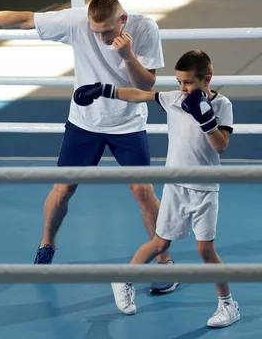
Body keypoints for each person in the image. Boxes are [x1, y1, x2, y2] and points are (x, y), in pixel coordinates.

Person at [0, 0, 178, 294]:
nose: (100, 37)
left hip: (127, 122)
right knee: (62, 190)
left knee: (142, 189)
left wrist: (127, 56)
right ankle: (47, 245)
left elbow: (146, 85)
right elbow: (24, 18)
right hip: (84, 122)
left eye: (107, 31)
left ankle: (164, 261)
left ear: (122, 20)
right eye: (94, 30)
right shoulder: (76, 21)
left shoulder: (145, 28)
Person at [73, 49, 240, 327]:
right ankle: (123, 277)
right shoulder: (174, 99)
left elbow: (221, 145)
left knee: (205, 251)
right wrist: (103, 90)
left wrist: (206, 121)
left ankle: (228, 305)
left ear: (206, 79)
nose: (183, 88)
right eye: (179, 82)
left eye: (188, 83)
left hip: (204, 188)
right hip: (175, 185)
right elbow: (139, 95)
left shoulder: (222, 105)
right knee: (161, 242)